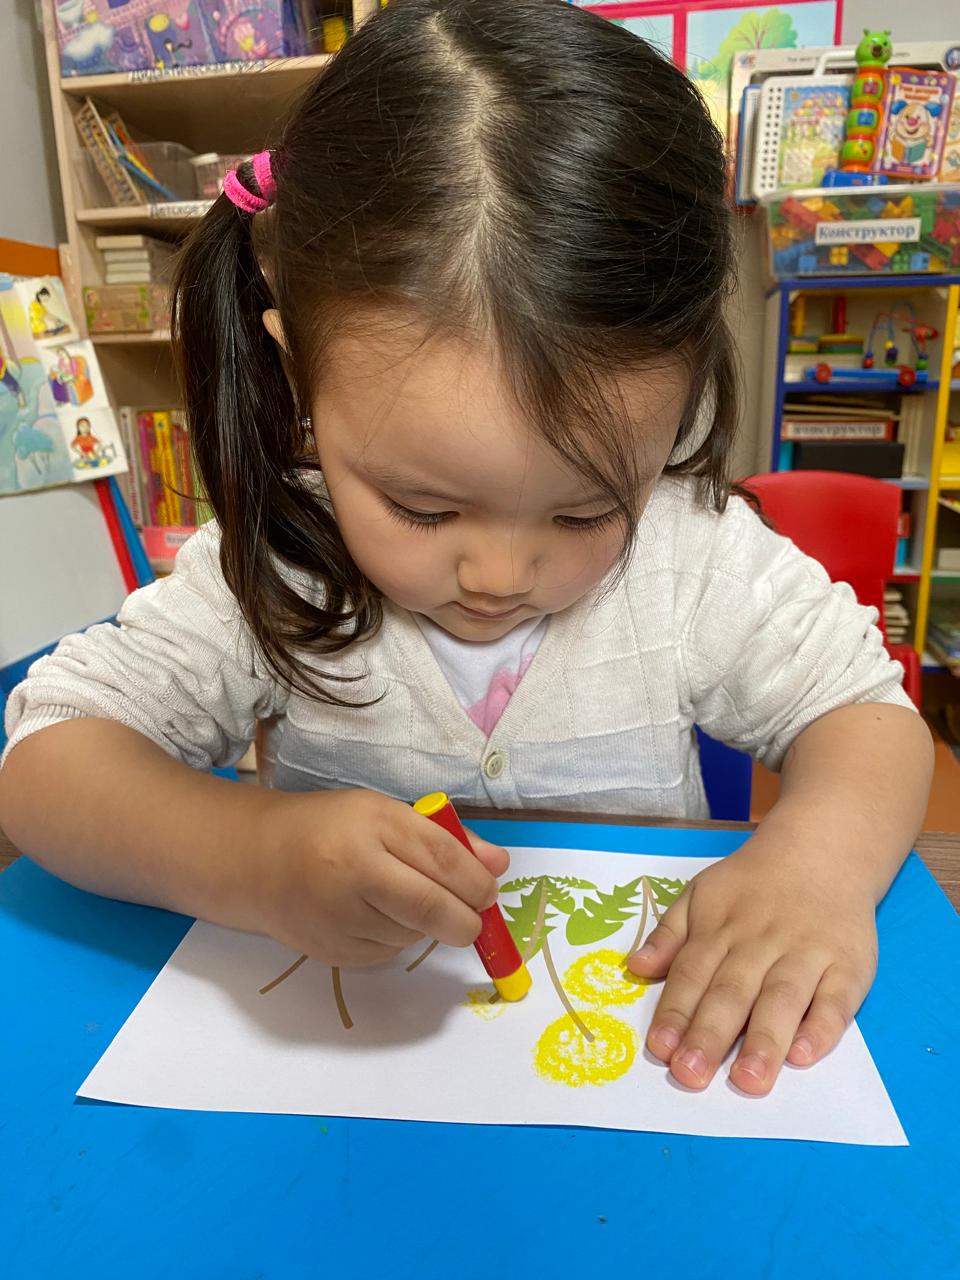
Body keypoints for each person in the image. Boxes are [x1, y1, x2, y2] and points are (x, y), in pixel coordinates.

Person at [0, 0, 932, 1097]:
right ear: (301, 377)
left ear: (677, 408)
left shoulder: (695, 559)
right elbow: (46, 756)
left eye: (585, 512)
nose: (499, 575)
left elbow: (868, 716)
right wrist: (247, 857)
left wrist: (817, 863)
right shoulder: (277, 563)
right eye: (422, 507)